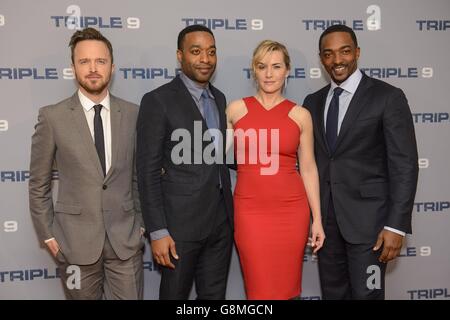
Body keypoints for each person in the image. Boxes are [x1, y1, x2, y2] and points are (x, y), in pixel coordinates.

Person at [303, 24, 419, 300]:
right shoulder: (313, 102)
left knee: (368, 295)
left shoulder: (387, 97)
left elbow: (404, 165)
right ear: (321, 59)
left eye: (344, 51)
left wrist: (395, 225)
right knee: (334, 295)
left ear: (357, 52)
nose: (337, 60)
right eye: (328, 54)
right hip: (328, 226)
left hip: (371, 227)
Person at [29, 28, 145, 299]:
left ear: (112, 67)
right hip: (73, 245)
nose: (93, 68)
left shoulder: (133, 114)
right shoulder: (52, 117)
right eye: (84, 61)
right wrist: (49, 237)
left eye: (100, 61)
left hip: (125, 243)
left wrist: (140, 224)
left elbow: (139, 176)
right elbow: (38, 184)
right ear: (73, 67)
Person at [136, 25, 234, 300]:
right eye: (196, 51)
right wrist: (158, 230)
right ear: (180, 56)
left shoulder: (220, 99)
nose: (205, 58)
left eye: (211, 52)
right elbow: (147, 172)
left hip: (221, 223)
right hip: (178, 228)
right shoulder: (158, 101)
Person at [226, 40, 325, 300]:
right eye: (262, 66)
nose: (269, 74)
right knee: (259, 290)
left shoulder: (300, 115)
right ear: (254, 70)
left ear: (287, 70)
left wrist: (318, 219)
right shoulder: (236, 110)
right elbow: (212, 159)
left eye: (276, 66)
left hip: (291, 211)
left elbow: (308, 168)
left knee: (286, 289)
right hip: (249, 211)